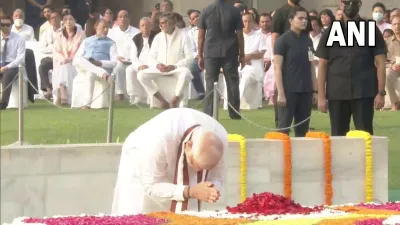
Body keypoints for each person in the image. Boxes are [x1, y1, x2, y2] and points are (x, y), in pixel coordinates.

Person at [112, 108, 226, 215]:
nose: (197, 170)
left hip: (177, 146)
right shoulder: (157, 140)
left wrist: (212, 188)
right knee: (136, 208)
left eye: (203, 169)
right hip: (140, 154)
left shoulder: (219, 139)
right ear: (188, 146)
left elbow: (218, 178)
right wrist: (190, 191)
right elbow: (151, 186)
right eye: (195, 164)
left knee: (189, 209)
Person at [316, 0, 386, 136]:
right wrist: (321, 97)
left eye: (354, 2)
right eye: (346, 2)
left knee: (365, 136)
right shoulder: (331, 30)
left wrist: (381, 92)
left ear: (359, 4)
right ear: (341, 4)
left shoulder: (369, 29)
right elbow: (322, 64)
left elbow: (381, 61)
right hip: (337, 92)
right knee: (338, 136)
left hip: (363, 91)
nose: (350, 5)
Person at [273, 6, 317, 137]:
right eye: (300, 18)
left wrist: (315, 91)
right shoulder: (282, 41)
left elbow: (311, 66)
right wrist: (280, 93)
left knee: (303, 130)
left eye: (306, 19)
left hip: (305, 91)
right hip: (288, 90)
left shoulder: (308, 41)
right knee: (283, 128)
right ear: (291, 20)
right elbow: (277, 68)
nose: (304, 21)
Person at [198, 0, 245, 120]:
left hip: (211, 50)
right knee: (232, 82)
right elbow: (240, 35)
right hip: (230, 50)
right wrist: (242, 54)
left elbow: (201, 35)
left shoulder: (206, 10)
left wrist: (200, 55)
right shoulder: (235, 11)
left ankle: (209, 113)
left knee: (210, 82)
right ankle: (234, 113)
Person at [137, 12, 193, 109]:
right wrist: (158, 65)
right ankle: (162, 100)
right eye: (160, 23)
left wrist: (174, 66)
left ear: (171, 23)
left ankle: (175, 99)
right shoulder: (158, 37)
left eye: (163, 23)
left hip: (175, 69)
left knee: (186, 73)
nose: (160, 26)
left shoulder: (184, 36)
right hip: (160, 69)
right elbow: (151, 56)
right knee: (141, 75)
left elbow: (190, 57)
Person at [73, 19, 117, 109]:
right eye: (103, 27)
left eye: (107, 28)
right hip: (84, 67)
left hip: (101, 69)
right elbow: (77, 58)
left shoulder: (111, 43)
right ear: (96, 27)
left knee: (90, 73)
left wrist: (100, 63)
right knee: (80, 58)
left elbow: (114, 62)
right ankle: (101, 73)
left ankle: (87, 104)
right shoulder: (86, 41)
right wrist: (90, 63)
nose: (106, 30)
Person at [52, 13, 85, 105]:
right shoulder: (59, 35)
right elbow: (56, 52)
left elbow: (83, 50)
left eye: (71, 19)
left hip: (76, 62)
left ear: (75, 21)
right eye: (66, 19)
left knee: (65, 67)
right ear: (63, 22)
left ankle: (62, 94)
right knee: (63, 66)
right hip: (61, 62)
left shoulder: (81, 34)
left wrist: (71, 59)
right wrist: (63, 59)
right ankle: (63, 92)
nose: (68, 22)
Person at [108, 10, 140, 101]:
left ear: (129, 18)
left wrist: (132, 59)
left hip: (133, 60)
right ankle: (120, 95)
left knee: (131, 69)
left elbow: (139, 49)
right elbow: (110, 49)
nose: (123, 19)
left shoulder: (136, 32)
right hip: (118, 60)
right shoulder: (112, 32)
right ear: (117, 19)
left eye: (125, 16)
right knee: (118, 68)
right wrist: (117, 57)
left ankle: (133, 96)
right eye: (120, 17)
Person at [126, 17, 157, 105]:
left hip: (153, 62)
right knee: (129, 70)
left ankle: (151, 96)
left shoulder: (157, 36)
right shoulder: (135, 39)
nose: (145, 28)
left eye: (147, 25)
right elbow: (133, 57)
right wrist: (139, 66)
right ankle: (134, 96)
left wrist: (151, 64)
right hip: (140, 62)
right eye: (142, 26)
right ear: (140, 28)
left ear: (151, 26)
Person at [0, 15, 26, 110]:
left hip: (13, 66)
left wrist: (6, 67)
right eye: (3, 24)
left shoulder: (19, 39)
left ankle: (3, 104)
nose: (5, 27)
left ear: (11, 25)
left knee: (6, 76)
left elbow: (20, 59)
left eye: (8, 25)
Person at [38, 11, 61, 100]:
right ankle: (48, 89)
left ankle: (56, 89)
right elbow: (42, 48)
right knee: (42, 65)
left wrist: (52, 46)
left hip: (61, 58)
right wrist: (54, 48)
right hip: (50, 58)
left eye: (56, 17)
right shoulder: (46, 33)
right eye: (52, 18)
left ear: (60, 19)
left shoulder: (65, 31)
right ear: (50, 21)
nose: (54, 19)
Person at [187, 10, 205, 100]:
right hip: (198, 56)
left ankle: (213, 94)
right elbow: (191, 48)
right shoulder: (191, 33)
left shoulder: (211, 27)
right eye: (193, 18)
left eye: (197, 16)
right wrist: (198, 55)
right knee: (192, 69)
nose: (196, 18)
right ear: (191, 22)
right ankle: (201, 92)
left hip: (211, 55)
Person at [385, 15, 400, 111]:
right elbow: (383, 60)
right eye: (394, 24)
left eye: (399, 24)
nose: (397, 26)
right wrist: (392, 65)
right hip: (395, 68)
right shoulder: (388, 42)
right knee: (387, 74)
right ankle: (394, 103)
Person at [260, 13, 274, 105]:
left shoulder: (275, 36)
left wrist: (270, 61)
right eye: (263, 22)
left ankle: (271, 98)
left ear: (271, 22)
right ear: (259, 22)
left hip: (272, 63)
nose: (265, 23)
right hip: (257, 62)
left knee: (274, 71)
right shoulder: (255, 35)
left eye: (267, 21)